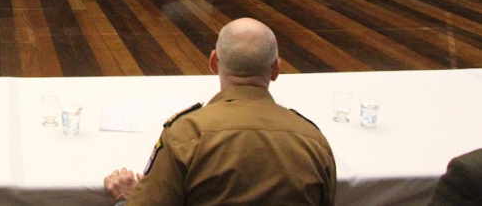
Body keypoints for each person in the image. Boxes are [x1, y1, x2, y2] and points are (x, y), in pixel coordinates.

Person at [103, 18, 336, 206]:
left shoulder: (185, 135)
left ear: (214, 62)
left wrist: (124, 199)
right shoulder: (314, 141)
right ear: (276, 69)